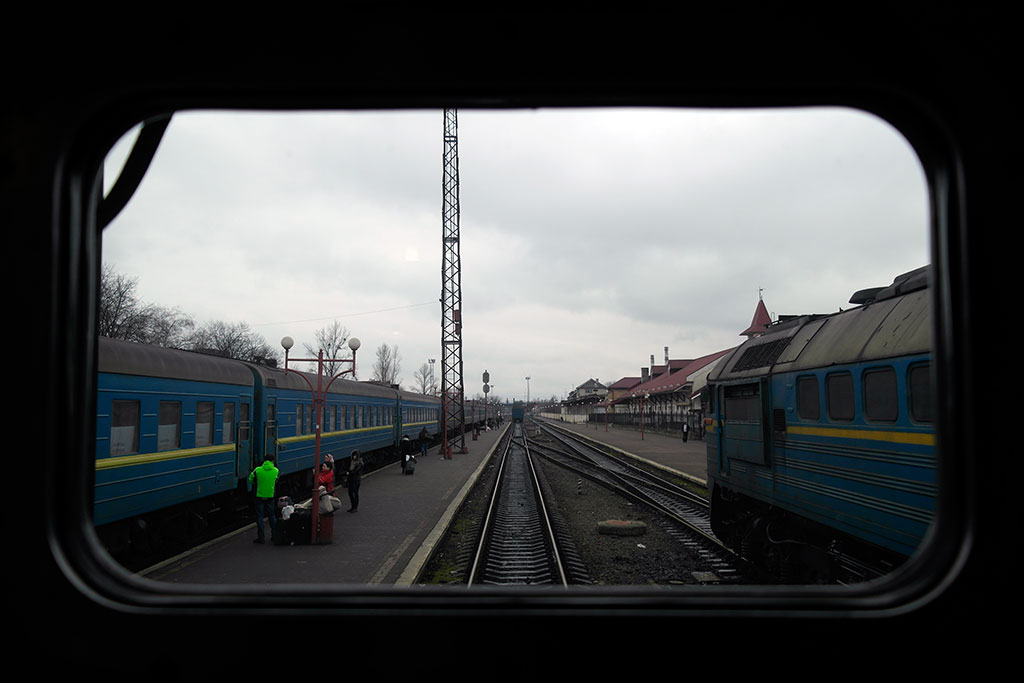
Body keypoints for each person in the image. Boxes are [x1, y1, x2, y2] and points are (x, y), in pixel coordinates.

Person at [248, 455, 280, 544]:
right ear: (272, 461)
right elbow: (276, 480)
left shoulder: (257, 470)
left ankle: (261, 538)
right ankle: (274, 535)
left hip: (259, 496)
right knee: (271, 516)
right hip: (270, 496)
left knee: (260, 517)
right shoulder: (276, 471)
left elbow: (250, 480)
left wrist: (257, 484)